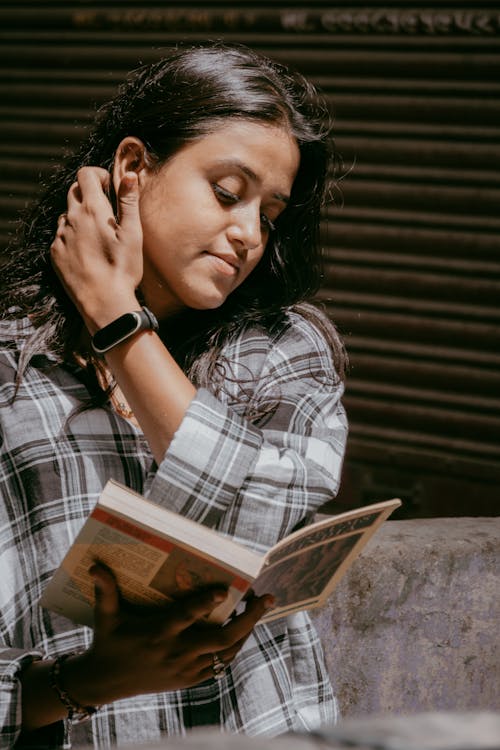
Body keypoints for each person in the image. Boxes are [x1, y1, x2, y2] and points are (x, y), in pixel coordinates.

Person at [0, 42, 348, 747]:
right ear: (132, 168)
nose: (249, 232)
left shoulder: (282, 350)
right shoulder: (11, 370)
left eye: (270, 211)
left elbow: (263, 520)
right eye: (227, 192)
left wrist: (114, 318)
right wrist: (89, 681)